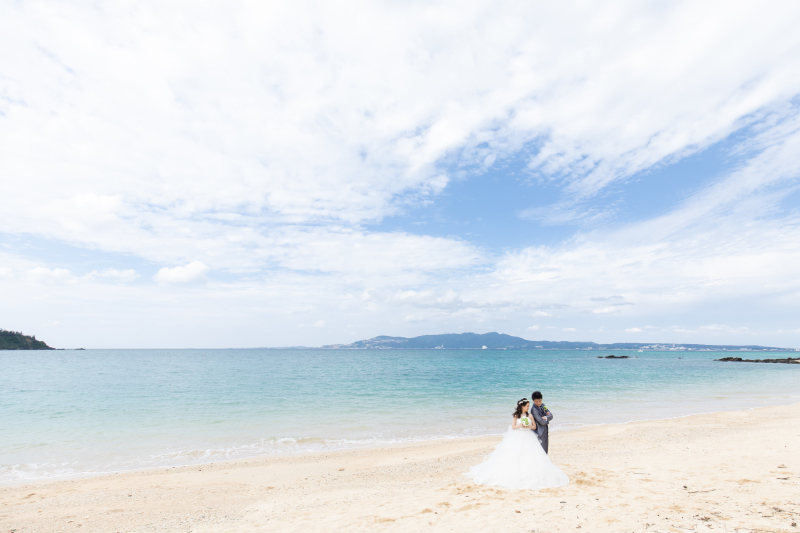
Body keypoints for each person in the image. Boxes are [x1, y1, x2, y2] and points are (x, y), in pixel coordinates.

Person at [464, 398, 569, 490]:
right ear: (522, 406)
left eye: (529, 406)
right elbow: (513, 427)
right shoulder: (516, 416)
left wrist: (527, 427)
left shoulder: (530, 415)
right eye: (527, 406)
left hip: (528, 436)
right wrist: (521, 426)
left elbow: (534, 427)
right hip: (518, 436)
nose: (528, 407)